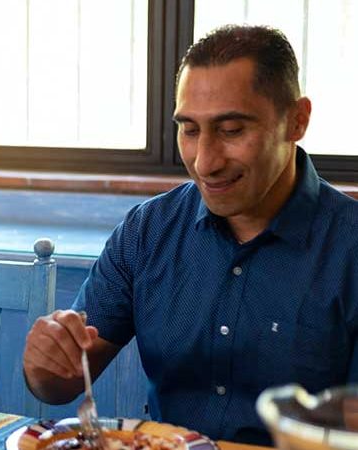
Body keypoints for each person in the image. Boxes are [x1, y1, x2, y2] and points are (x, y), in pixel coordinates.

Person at [22, 24, 358, 445]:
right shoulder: (148, 231)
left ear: (297, 120)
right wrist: (43, 361)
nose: (204, 162)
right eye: (190, 130)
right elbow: (60, 383)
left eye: (232, 130)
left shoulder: (350, 247)